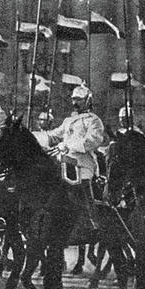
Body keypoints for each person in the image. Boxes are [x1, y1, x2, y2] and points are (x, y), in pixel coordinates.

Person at [44, 83, 105, 228]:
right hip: (64, 160)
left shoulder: (94, 120)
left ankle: (91, 220)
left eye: (79, 99)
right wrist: (36, 138)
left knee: (83, 182)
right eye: (73, 99)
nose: (75, 103)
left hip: (83, 162)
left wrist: (68, 145)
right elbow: (54, 136)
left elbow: (92, 140)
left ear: (87, 100)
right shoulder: (68, 120)